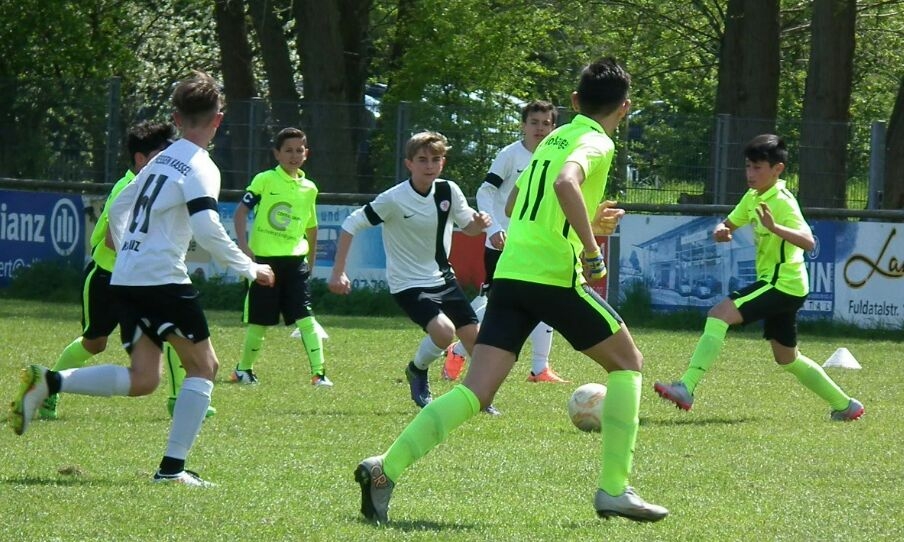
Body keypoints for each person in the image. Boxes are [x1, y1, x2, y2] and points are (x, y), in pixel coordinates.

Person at [352, 57, 668, 525]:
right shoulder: (597, 142)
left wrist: (583, 220)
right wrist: (590, 247)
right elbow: (565, 183)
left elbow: (519, 200)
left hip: (512, 273)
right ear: (626, 107)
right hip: (551, 276)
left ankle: (385, 467)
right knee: (628, 364)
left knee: (477, 391)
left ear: (574, 101)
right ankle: (615, 489)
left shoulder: (554, 139)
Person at [9, 70, 275, 487]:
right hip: (161, 279)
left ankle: (50, 380)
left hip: (127, 277)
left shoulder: (159, 161)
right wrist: (250, 267)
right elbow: (206, 227)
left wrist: (132, 246)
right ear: (218, 120)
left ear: (176, 117)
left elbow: (119, 206)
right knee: (204, 367)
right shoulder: (200, 165)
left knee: (144, 378)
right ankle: (171, 470)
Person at [653, 134, 864, 422]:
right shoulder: (753, 197)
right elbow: (728, 223)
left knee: (719, 314)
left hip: (782, 283)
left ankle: (686, 387)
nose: (750, 174)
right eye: (748, 166)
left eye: (757, 168)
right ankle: (845, 405)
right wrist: (721, 231)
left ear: (777, 169)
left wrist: (775, 228)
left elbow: (808, 242)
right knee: (787, 358)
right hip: (787, 286)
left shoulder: (783, 201)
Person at [35, 121, 215, 421]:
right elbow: (110, 239)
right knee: (95, 343)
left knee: (175, 332)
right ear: (141, 159)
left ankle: (177, 399)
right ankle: (47, 387)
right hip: (106, 279)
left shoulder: (159, 184)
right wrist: (148, 255)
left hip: (140, 280)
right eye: (161, 154)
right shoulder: (128, 187)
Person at [328, 131, 499, 414]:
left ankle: (481, 400)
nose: (429, 165)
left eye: (435, 159)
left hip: (443, 278)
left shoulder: (448, 191)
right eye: (422, 159)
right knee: (444, 332)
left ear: (443, 162)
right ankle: (417, 370)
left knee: (475, 341)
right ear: (409, 163)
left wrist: (479, 224)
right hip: (407, 284)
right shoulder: (394, 199)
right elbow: (351, 224)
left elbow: (468, 227)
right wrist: (338, 272)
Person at [443, 100, 567, 383]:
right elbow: (485, 191)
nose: (539, 128)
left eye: (546, 123)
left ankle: (540, 368)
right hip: (503, 244)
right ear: (523, 125)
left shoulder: (555, 157)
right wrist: (493, 228)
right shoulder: (510, 155)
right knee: (498, 307)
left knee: (545, 298)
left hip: (537, 243)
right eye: (534, 122)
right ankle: (458, 349)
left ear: (553, 128)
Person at [230, 127, 332, 387]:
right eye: (288, 150)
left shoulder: (309, 188)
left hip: (295, 263)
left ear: (306, 154)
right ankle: (243, 370)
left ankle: (319, 374)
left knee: (306, 317)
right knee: (260, 322)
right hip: (264, 264)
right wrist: (245, 249)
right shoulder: (265, 180)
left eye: (299, 150)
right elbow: (240, 212)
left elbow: (311, 226)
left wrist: (311, 262)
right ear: (277, 154)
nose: (294, 155)